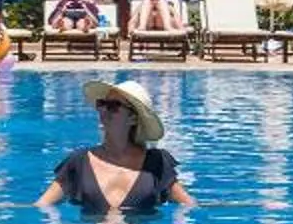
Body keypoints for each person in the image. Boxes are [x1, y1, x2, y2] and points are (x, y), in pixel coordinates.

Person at [32, 79, 194, 215]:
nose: (104, 110)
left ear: (133, 118)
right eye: (102, 103)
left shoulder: (156, 163)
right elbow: (43, 206)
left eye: (113, 106)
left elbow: (189, 207)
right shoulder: (79, 161)